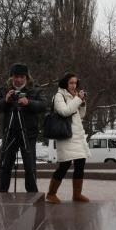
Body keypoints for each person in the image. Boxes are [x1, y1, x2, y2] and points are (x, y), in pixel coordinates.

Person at [0, 62, 47, 193]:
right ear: (11, 77)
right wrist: (5, 100)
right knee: (5, 166)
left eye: (22, 76)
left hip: (28, 134)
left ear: (27, 77)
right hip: (9, 133)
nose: (19, 79)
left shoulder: (35, 89)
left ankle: (33, 194)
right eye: (16, 76)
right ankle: (2, 193)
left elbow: (44, 105)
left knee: (30, 166)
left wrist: (29, 102)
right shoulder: (4, 89)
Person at [45, 73, 92, 203]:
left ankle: (77, 194)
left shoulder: (73, 96)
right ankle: (51, 194)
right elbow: (64, 111)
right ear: (65, 83)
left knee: (80, 165)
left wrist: (82, 103)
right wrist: (77, 99)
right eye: (71, 83)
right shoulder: (59, 96)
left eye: (75, 83)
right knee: (64, 165)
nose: (74, 85)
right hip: (65, 135)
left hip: (77, 136)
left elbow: (81, 115)